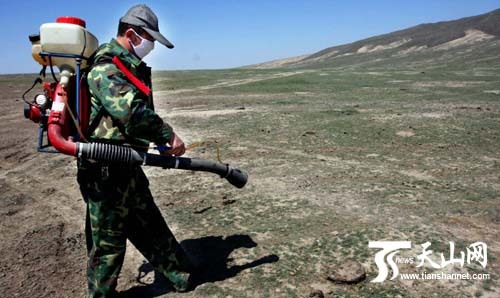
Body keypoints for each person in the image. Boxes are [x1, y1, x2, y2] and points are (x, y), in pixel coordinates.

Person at [77, 4, 193, 297]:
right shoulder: (105, 68)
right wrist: (168, 135)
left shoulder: (125, 66)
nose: (151, 46)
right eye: (149, 39)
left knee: (148, 221)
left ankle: (180, 275)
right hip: (104, 168)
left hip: (125, 165)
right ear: (131, 34)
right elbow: (130, 111)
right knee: (108, 242)